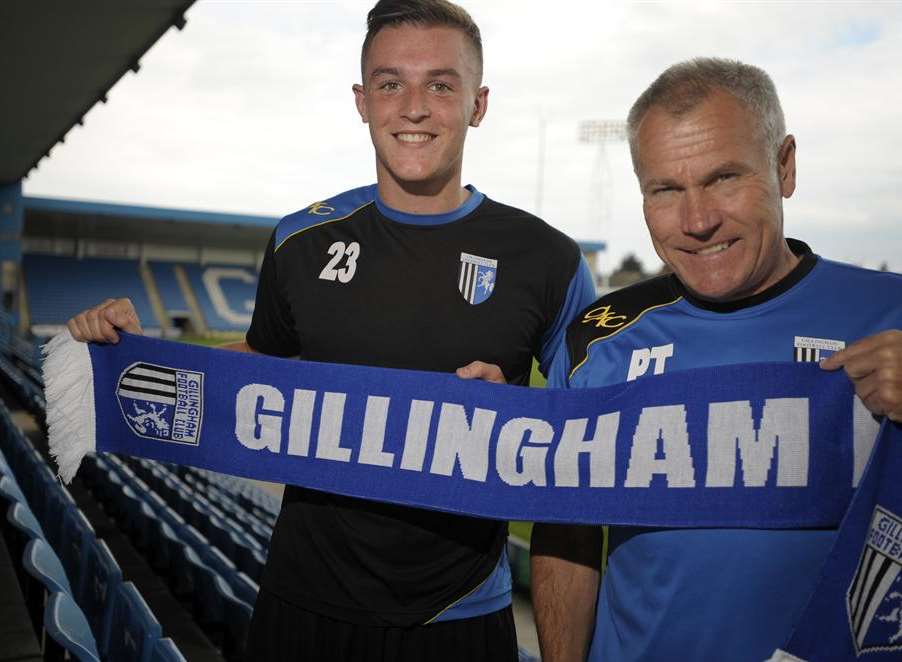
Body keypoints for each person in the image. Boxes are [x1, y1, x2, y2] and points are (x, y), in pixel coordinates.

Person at [67, 1, 596, 660]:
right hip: (301, 604)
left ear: (478, 103)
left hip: (457, 616)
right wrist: (128, 353)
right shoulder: (299, 240)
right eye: (389, 83)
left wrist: (514, 415)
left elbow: (587, 450)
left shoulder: (549, 259)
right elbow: (250, 373)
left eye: (440, 83)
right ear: (361, 100)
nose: (413, 107)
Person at [530, 57, 902, 662]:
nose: (698, 220)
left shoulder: (891, 313)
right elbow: (567, 532)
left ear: (784, 166)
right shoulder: (599, 342)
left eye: (724, 178)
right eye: (666, 190)